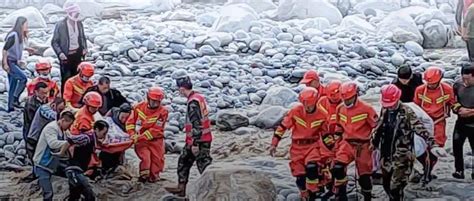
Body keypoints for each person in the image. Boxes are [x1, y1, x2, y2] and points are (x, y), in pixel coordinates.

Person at [371, 84, 434, 201]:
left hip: (402, 155)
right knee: (386, 183)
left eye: (391, 104)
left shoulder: (407, 112)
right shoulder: (385, 109)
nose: (390, 107)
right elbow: (380, 127)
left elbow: (419, 127)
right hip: (386, 153)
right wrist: (374, 143)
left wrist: (430, 141)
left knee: (396, 187)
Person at [268, 87, 328, 200]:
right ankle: (304, 192)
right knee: (300, 176)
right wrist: (274, 144)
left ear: (315, 102)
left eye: (309, 105)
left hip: (312, 146)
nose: (307, 107)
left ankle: (313, 193)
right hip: (297, 147)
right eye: (305, 104)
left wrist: (331, 153)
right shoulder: (295, 111)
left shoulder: (323, 115)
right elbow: (282, 127)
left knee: (312, 167)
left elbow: (326, 136)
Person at [165, 76, 213, 197]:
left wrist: (195, 144)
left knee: (204, 165)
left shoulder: (192, 103)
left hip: (199, 140)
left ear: (181, 89)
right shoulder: (199, 97)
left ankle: (212, 190)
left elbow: (197, 125)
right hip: (199, 139)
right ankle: (181, 188)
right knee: (184, 161)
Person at [333, 82, 378, 201]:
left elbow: (376, 126)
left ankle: (367, 196)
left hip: (363, 145)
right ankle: (341, 195)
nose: (346, 101)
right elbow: (338, 126)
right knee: (338, 167)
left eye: (348, 99)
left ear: (355, 95)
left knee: (364, 177)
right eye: (344, 99)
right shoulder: (340, 108)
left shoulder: (367, 109)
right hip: (346, 143)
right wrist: (336, 138)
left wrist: (375, 142)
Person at [414, 66, 458, 180]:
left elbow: (453, 104)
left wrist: (461, 109)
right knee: (420, 146)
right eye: (429, 83)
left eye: (433, 83)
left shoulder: (447, 89)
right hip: (423, 122)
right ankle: (425, 166)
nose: (430, 85)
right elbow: (415, 108)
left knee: (437, 146)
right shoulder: (419, 90)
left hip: (439, 122)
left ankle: (429, 170)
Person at [126, 87, 168, 183]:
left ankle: (153, 178)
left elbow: (156, 130)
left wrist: (140, 137)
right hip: (142, 141)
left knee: (157, 163)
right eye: (153, 101)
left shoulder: (163, 112)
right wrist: (132, 134)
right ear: (148, 98)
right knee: (146, 159)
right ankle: (143, 178)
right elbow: (130, 123)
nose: (154, 103)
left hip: (156, 140)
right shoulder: (138, 107)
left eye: (157, 101)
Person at [33, 111, 75, 201]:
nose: (70, 127)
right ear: (63, 120)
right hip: (42, 164)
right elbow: (53, 144)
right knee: (48, 193)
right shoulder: (51, 128)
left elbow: (71, 139)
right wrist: (68, 143)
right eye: (69, 124)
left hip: (52, 163)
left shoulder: (64, 131)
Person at [315, 80, 343, 198]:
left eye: (336, 96)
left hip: (340, 138)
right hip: (324, 138)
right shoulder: (321, 102)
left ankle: (337, 190)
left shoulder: (344, 105)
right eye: (331, 96)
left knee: (338, 165)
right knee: (320, 162)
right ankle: (321, 187)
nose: (334, 99)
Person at [51, 3, 88, 93]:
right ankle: (65, 99)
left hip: (77, 55)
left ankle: (76, 98)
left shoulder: (79, 24)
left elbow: (82, 37)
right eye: (75, 14)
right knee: (66, 79)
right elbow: (54, 42)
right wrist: (60, 53)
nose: (77, 16)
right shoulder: (61, 25)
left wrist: (84, 48)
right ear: (69, 13)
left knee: (77, 79)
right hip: (66, 57)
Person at [452, 65, 474, 179]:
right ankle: (459, 170)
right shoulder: (457, 85)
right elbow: (453, 101)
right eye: (463, 78)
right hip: (461, 121)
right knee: (456, 146)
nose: (465, 81)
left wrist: (471, 112)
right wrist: (458, 109)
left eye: (468, 79)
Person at [2, 17, 28, 112]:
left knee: (12, 84)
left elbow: (16, 49)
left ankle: (10, 107)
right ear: (21, 25)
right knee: (23, 78)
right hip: (9, 62)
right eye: (26, 24)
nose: (27, 26)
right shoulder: (13, 35)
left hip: (14, 61)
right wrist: (5, 64)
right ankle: (15, 98)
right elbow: (5, 49)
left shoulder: (20, 35)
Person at [99, 103, 132, 175]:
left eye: (126, 118)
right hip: (110, 138)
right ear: (119, 113)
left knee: (120, 152)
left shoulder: (130, 122)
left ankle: (119, 164)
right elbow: (107, 116)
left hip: (120, 142)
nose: (124, 120)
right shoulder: (115, 111)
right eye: (122, 117)